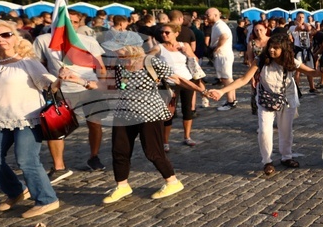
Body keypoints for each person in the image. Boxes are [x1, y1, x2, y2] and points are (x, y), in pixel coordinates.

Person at [0, 19, 88, 218]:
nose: (0, 39)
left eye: (5, 35)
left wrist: (60, 78)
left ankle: (47, 199)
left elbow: (48, 85)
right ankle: (17, 191)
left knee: (26, 160)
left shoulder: (27, 62)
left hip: (27, 119)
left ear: (14, 38)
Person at [103, 45, 206, 204]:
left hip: (149, 113)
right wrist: (80, 80)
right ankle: (122, 185)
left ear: (130, 47)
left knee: (153, 151)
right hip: (123, 113)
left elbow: (178, 79)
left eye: (118, 48)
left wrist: (202, 91)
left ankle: (172, 181)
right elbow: (111, 87)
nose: (114, 51)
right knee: (119, 149)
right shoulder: (117, 64)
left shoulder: (150, 62)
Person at [209, 34, 323, 176]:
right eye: (270, 47)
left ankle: (286, 156)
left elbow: (312, 72)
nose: (271, 50)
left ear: (284, 49)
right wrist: (222, 91)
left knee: (286, 130)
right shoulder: (261, 60)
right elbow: (243, 79)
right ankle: (267, 161)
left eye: (276, 48)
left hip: (286, 99)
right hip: (265, 98)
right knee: (264, 130)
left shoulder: (291, 61)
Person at [32, 11, 108, 178]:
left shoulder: (88, 40)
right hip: (60, 90)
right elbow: (37, 65)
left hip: (88, 88)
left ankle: (94, 157)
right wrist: (50, 82)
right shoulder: (43, 40)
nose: (71, 25)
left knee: (95, 124)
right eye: (67, 21)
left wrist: (101, 86)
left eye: (74, 22)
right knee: (55, 128)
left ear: (79, 23)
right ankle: (59, 167)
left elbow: (100, 67)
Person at [155, 23, 202, 150]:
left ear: (176, 33)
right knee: (169, 112)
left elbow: (195, 60)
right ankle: (165, 141)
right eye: (162, 32)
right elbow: (147, 59)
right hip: (169, 83)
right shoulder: (159, 47)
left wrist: (187, 53)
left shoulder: (184, 45)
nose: (164, 34)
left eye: (167, 32)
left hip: (186, 80)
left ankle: (187, 136)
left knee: (188, 109)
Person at [206, 8, 237, 111]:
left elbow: (224, 36)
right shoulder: (217, 25)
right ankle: (232, 99)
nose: (206, 17)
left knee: (226, 78)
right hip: (223, 55)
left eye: (208, 15)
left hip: (223, 55)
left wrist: (217, 48)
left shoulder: (220, 25)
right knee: (227, 78)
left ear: (215, 15)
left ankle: (230, 102)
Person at [245, 21, 271, 115]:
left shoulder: (271, 41)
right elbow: (250, 60)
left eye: (261, 30)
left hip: (270, 70)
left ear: (266, 30)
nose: (259, 32)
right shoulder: (251, 43)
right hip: (257, 72)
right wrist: (251, 77)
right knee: (257, 94)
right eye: (256, 30)